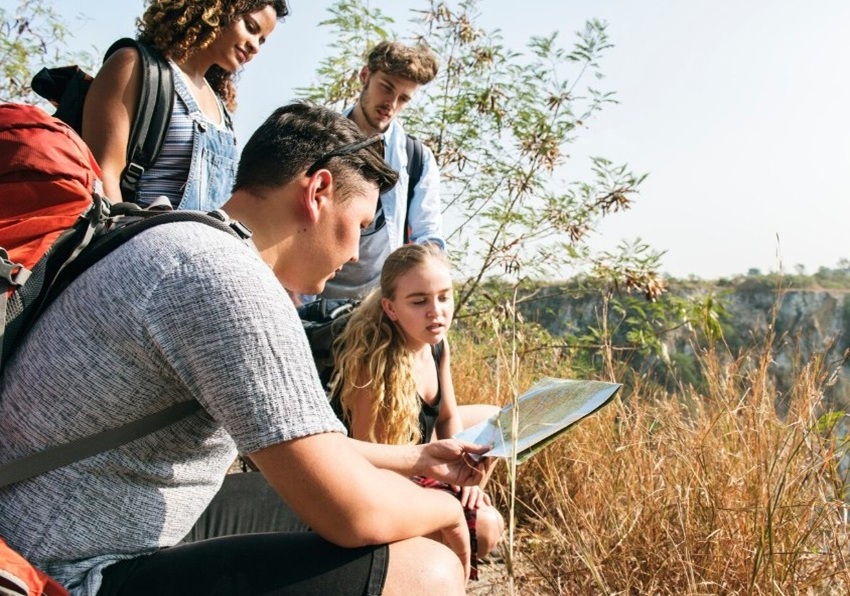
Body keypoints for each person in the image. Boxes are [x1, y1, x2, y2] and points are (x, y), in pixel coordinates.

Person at [0, 102, 489, 595]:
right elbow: (352, 514)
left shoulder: (175, 232)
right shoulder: (229, 281)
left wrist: (417, 458)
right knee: (425, 568)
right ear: (318, 191)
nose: (356, 254)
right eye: (360, 226)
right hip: (65, 569)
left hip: (48, 519)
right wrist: (447, 509)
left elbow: (312, 448)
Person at [331, 243, 505, 561]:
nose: (436, 311)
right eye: (419, 301)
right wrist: (441, 490)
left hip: (419, 453)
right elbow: (368, 465)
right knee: (485, 527)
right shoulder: (375, 362)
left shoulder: (436, 344)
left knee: (499, 419)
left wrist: (466, 478)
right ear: (391, 308)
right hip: (384, 472)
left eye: (444, 296)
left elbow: (447, 418)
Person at [82, 0, 289, 210]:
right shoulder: (136, 66)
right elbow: (102, 172)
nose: (254, 46)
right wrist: (126, 240)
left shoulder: (221, 109)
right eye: (250, 27)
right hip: (134, 238)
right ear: (218, 11)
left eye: (261, 40)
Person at [316, 40, 445, 301]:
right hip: (311, 304)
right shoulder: (318, 139)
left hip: (379, 309)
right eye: (386, 88)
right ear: (365, 76)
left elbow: (428, 236)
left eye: (404, 99)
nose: (392, 104)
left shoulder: (416, 158)